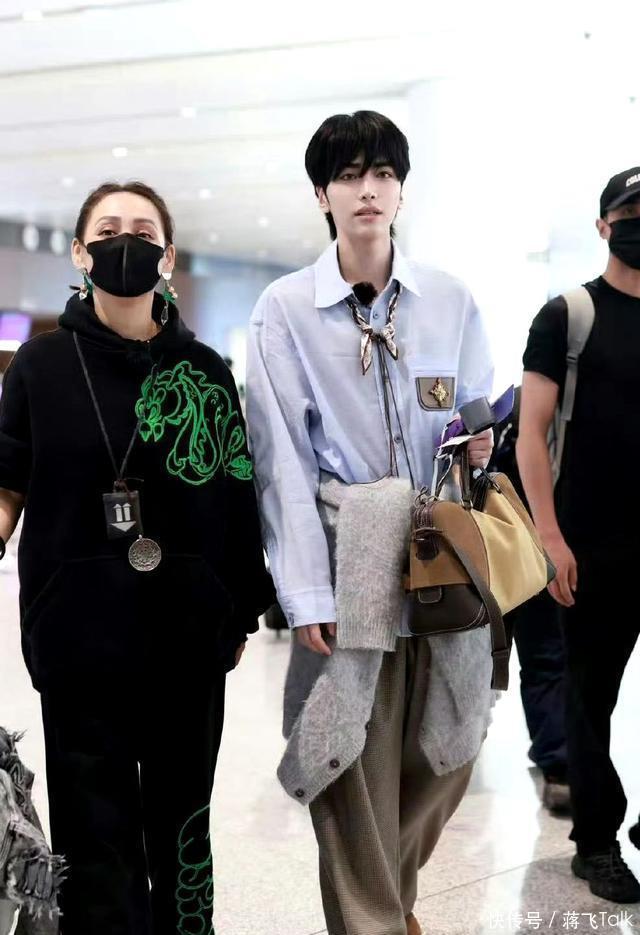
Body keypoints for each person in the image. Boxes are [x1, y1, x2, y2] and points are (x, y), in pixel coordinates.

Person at [0, 181, 273, 934]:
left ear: (169, 256)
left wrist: (239, 609)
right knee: (95, 836)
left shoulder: (206, 371)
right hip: (77, 638)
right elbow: (7, 481)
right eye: (109, 229)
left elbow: (237, 494)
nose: (127, 241)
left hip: (186, 637)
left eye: (145, 231)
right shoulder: (39, 366)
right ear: (80, 252)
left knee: (183, 827)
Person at [246, 110, 494, 935]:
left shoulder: (449, 299)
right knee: (347, 751)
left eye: (383, 173)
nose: (368, 189)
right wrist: (305, 592)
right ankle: (375, 922)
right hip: (348, 553)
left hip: (441, 558)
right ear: (322, 194)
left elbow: (473, 411)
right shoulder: (285, 308)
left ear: (401, 189)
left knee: (447, 746)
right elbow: (282, 461)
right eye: (349, 175)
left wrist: (476, 437)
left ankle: (393, 901)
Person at [517, 166, 640, 903]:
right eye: (631, 212)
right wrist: (550, 536)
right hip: (591, 544)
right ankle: (595, 842)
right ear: (604, 225)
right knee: (589, 699)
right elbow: (531, 433)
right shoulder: (569, 315)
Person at [490, 390, 569, 813]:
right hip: (529, 553)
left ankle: (558, 760)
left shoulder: (512, 406)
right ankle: (558, 763)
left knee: (539, 658)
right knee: (546, 657)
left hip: (517, 554)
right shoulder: (522, 410)